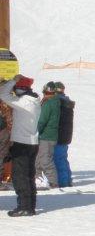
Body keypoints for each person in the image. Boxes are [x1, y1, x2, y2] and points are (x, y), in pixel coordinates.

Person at [0, 75, 41, 216]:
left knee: (20, 176)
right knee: (29, 176)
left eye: (16, 88)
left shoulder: (24, 102)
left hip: (22, 143)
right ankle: (30, 206)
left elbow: (2, 94)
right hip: (31, 143)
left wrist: (12, 81)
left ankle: (24, 207)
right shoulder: (33, 100)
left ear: (20, 89)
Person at [35, 81, 61, 189]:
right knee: (39, 159)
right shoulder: (55, 102)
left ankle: (53, 182)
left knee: (45, 160)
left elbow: (42, 120)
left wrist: (36, 131)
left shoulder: (48, 103)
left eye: (46, 93)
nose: (45, 95)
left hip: (46, 136)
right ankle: (38, 179)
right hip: (49, 136)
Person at [53, 82, 74, 187]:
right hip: (66, 135)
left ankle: (63, 182)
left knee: (58, 159)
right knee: (63, 158)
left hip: (59, 135)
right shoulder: (67, 101)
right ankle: (68, 179)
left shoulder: (58, 103)